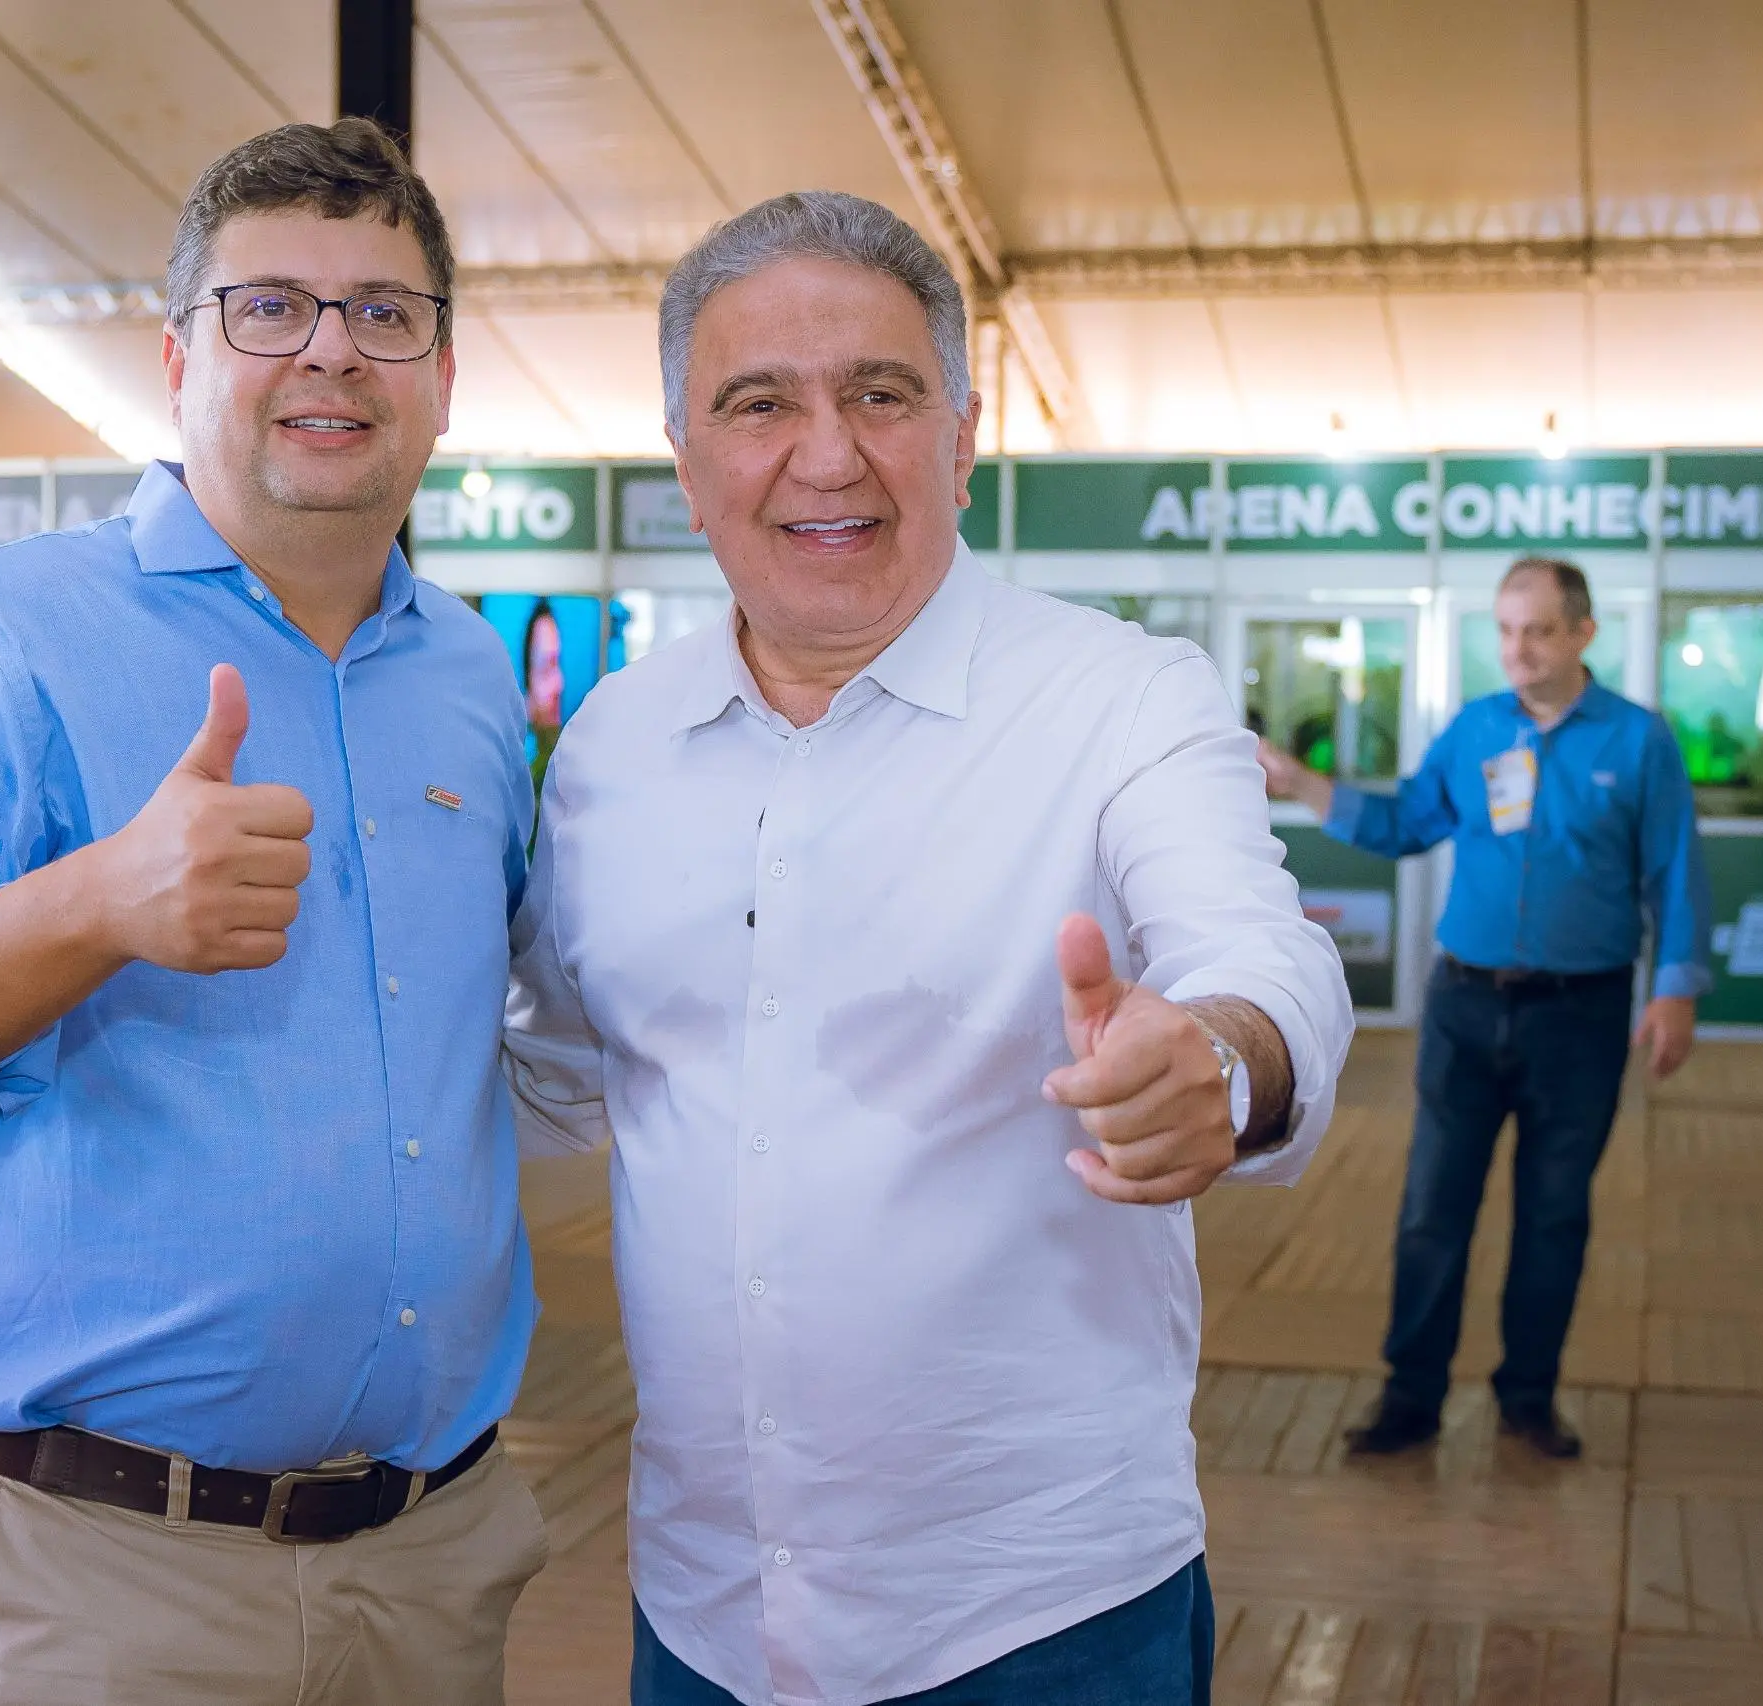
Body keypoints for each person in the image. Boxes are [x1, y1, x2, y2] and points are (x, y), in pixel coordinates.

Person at [505, 191, 1356, 1706]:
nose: (825, 454)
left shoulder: (1122, 700)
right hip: (704, 1609)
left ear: (961, 437)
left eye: (881, 395)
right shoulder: (611, 750)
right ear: (688, 466)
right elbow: (568, 1073)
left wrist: (1218, 1058)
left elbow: (1261, 950)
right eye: (758, 403)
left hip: (1039, 1615)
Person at [0, 119, 548, 1704]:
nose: (331, 351)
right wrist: (95, 902)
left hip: (439, 1562)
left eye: (385, 312)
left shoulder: (472, 678)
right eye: (272, 306)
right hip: (105, 1576)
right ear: (177, 354)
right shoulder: (10, 630)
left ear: (445, 378)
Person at [1260, 554, 1710, 1460]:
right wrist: (1301, 783)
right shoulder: (1474, 732)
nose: (1518, 650)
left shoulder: (1638, 741)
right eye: (1506, 631)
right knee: (1433, 1206)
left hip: (1580, 1017)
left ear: (1584, 633)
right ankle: (1412, 1396)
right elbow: (1405, 825)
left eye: (1539, 630)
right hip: (1465, 1006)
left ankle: (1528, 1396)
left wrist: (1675, 989)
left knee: (1554, 1212)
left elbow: (1676, 870)